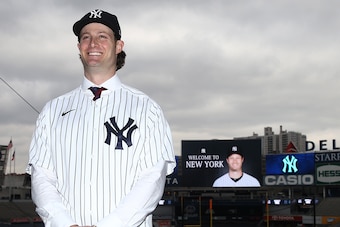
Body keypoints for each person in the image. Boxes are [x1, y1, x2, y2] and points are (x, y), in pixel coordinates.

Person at [26, 9, 176, 227]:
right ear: (79, 48)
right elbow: (42, 177)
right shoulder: (52, 110)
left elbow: (151, 178)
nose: (93, 43)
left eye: (102, 36)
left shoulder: (147, 108)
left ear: (118, 46)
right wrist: (64, 223)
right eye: (85, 37)